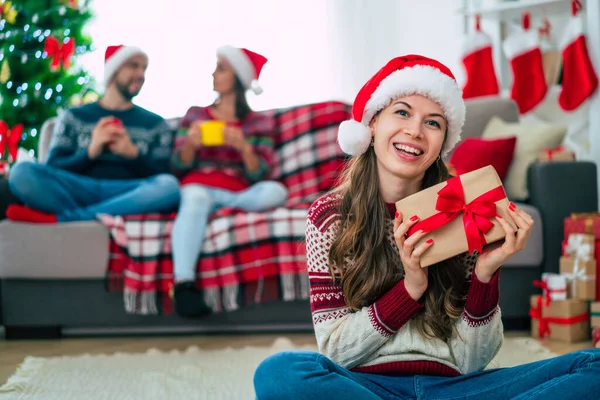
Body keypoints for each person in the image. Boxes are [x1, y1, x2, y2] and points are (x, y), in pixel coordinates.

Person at [253, 55, 600, 399]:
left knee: (594, 364)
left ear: (441, 145)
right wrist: (411, 288)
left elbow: (470, 361)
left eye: (433, 123)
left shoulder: (464, 212)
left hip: (455, 387)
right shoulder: (328, 217)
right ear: (372, 125)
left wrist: (485, 274)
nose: (415, 131)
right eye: (402, 112)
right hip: (366, 388)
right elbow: (337, 351)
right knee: (280, 371)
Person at [170, 45, 288, 317]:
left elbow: (262, 174)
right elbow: (177, 166)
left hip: (238, 193)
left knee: (276, 191)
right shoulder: (196, 115)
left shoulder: (258, 123)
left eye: (221, 68)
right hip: (199, 187)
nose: (213, 73)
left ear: (237, 77)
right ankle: (183, 285)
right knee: (195, 196)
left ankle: (216, 210)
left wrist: (245, 149)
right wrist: (190, 145)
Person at [7, 45, 180, 224]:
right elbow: (53, 168)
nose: (141, 74)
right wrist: (90, 151)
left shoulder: (155, 124)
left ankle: (68, 218)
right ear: (114, 71)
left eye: (144, 68)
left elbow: (164, 175)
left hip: (129, 193)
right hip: (78, 189)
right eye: (133, 66)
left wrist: (133, 155)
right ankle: (96, 215)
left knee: (169, 187)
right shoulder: (74, 117)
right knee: (21, 172)